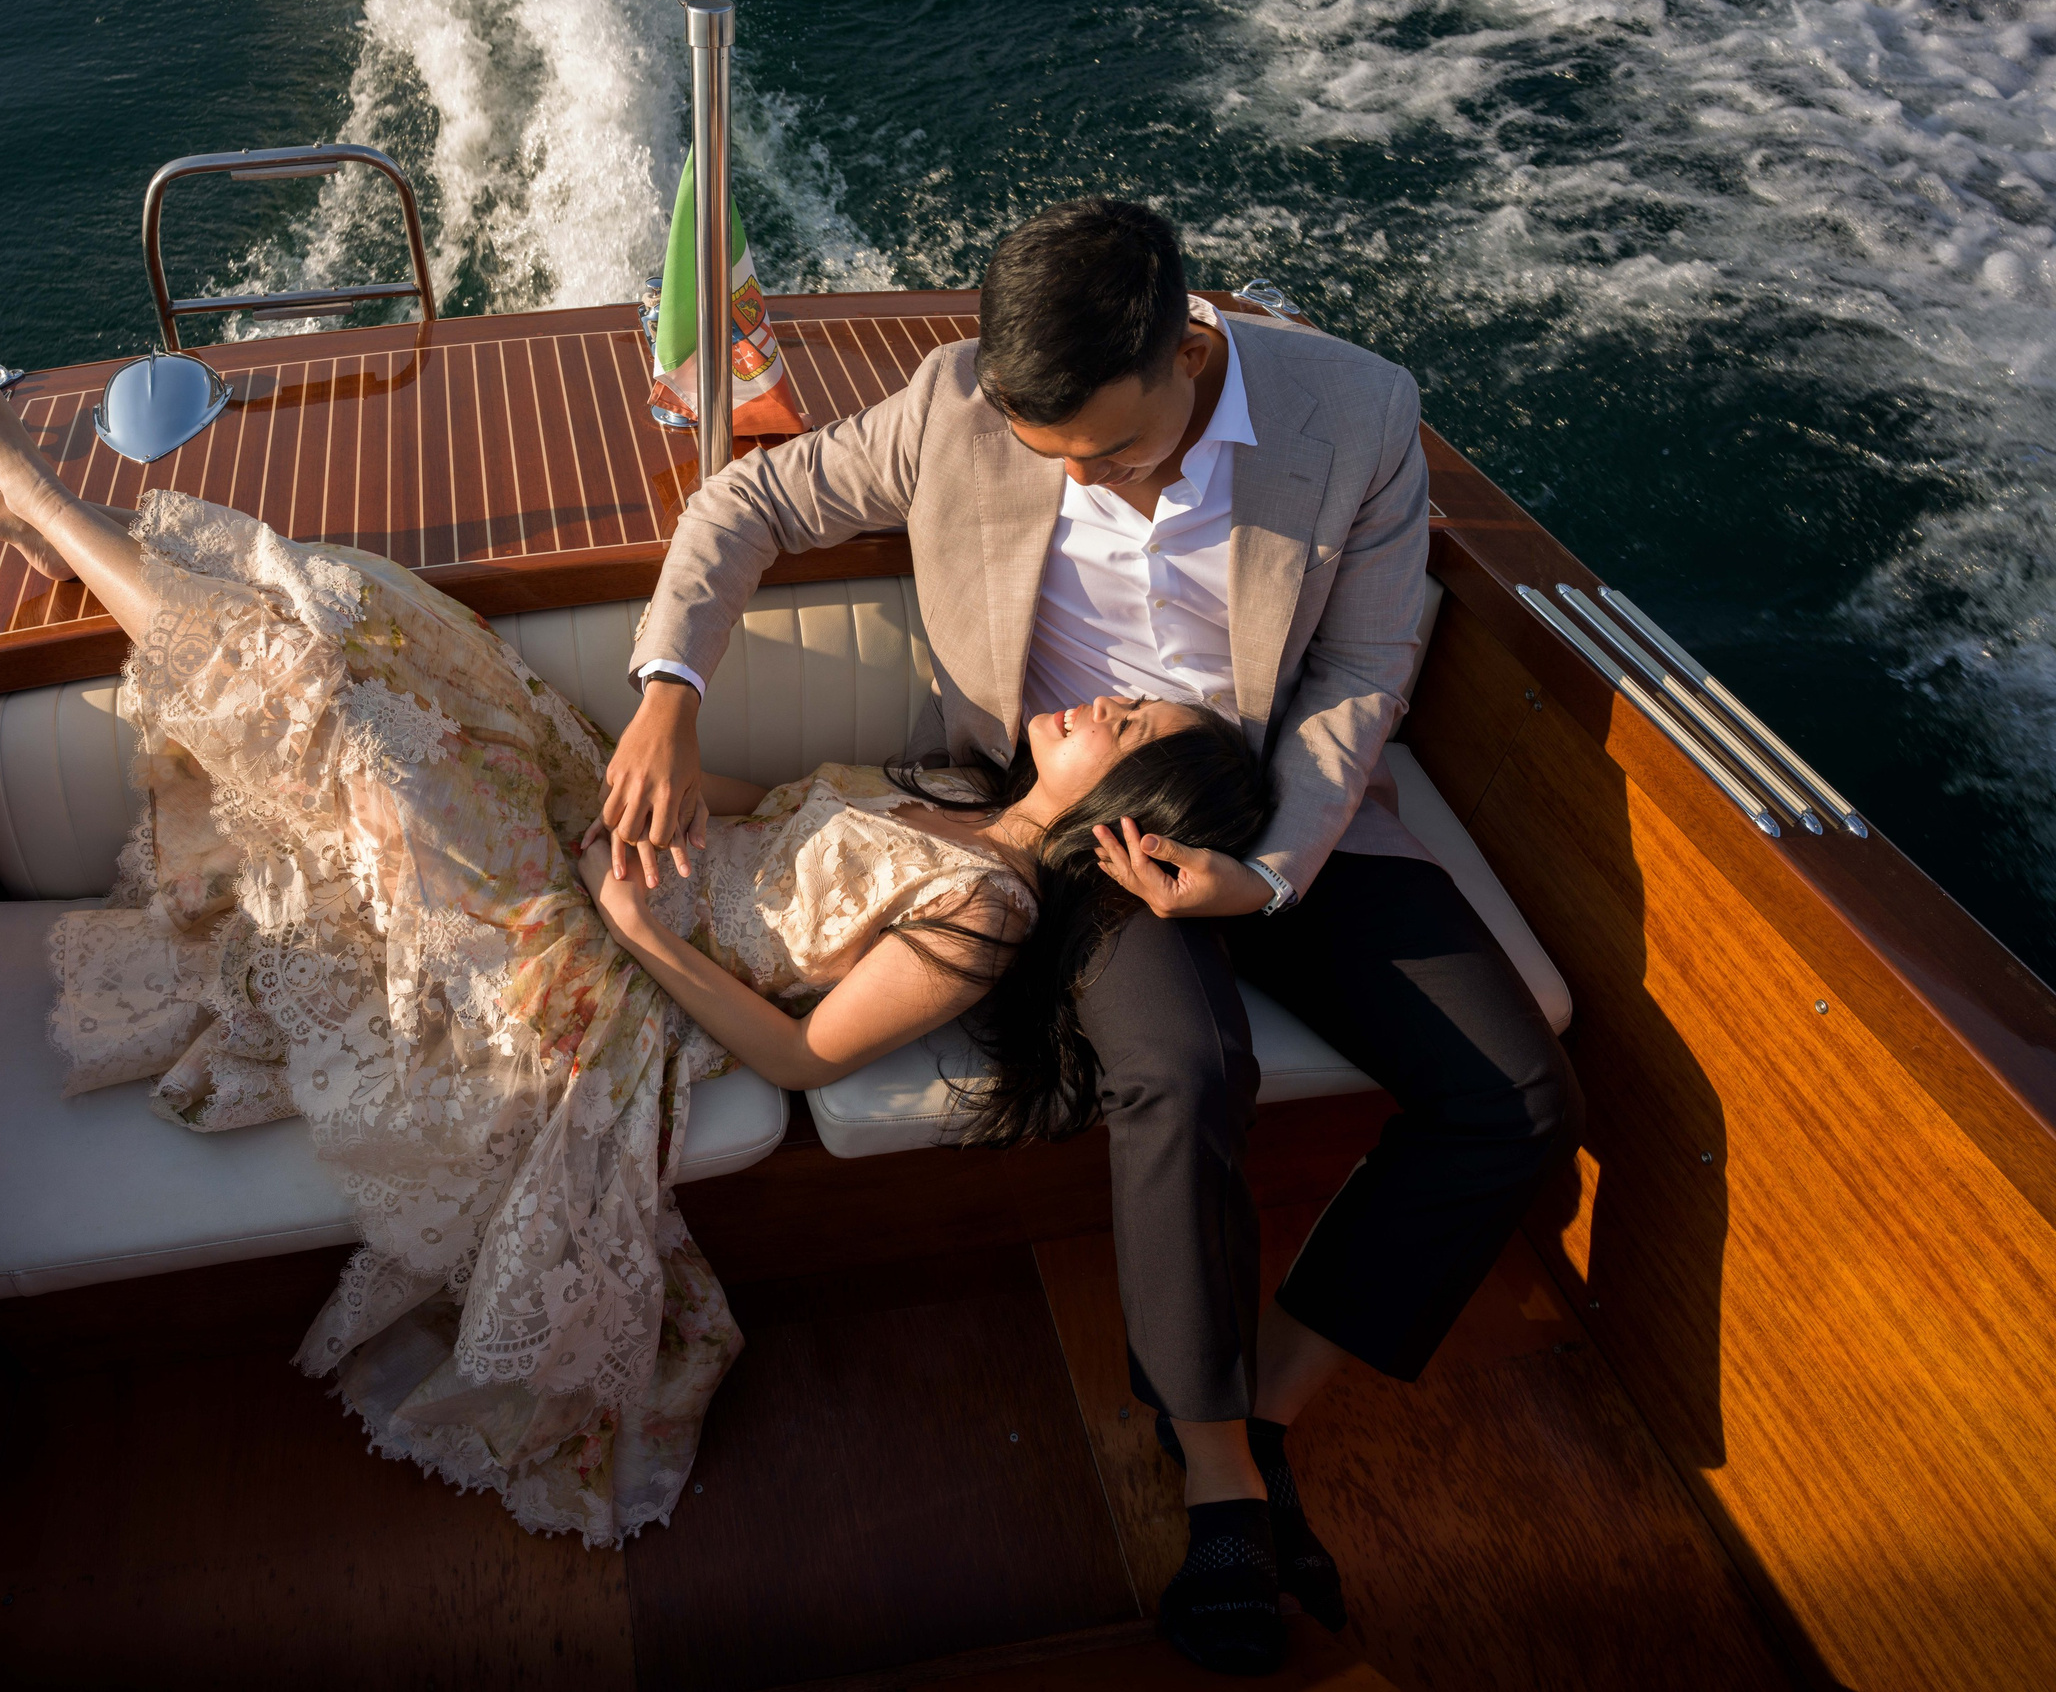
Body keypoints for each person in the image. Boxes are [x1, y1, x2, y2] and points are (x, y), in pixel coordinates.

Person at [0, 329, 1274, 1549]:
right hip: (614, 842)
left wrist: (628, 922)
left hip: (596, 957)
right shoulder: (959, 792)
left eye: (1134, 726)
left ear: (1129, 812)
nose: (1105, 700)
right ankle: (85, 545)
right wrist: (614, 773)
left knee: (332, 706)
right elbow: (770, 812)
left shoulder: (986, 911)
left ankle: (34, 491)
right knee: (387, 631)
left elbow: (794, 1055)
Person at [603, 198, 1585, 1676]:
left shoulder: (1361, 412)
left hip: (1269, 810)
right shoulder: (952, 406)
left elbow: (1369, 663)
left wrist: (1260, 875)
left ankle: (1263, 1402)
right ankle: (1219, 1484)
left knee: (1514, 1100)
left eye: (1116, 454)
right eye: (1057, 460)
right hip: (1076, 825)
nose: (1091, 483)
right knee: (1184, 1074)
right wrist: (670, 686)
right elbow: (747, 505)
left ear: (1194, 347)